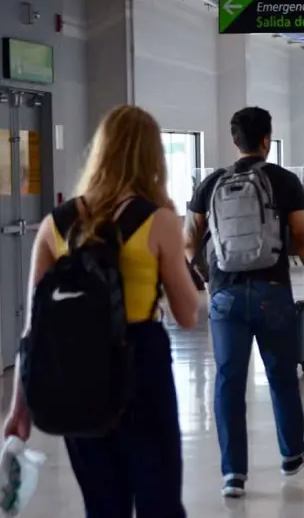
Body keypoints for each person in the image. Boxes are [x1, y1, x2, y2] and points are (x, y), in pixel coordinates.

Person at [3, 105, 199, 516]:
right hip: (141, 360)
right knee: (158, 500)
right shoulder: (158, 221)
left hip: (76, 366)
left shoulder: (55, 225)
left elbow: (34, 328)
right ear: (152, 158)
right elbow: (187, 315)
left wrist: (18, 408)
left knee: (102, 505)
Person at [185, 107, 304, 498]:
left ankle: (233, 475)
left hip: (225, 295)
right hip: (272, 290)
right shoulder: (283, 181)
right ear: (267, 141)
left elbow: (189, 242)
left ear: (235, 140)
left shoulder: (212, 183)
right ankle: (290, 452)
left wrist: (208, 279)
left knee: (228, 380)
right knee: (281, 375)